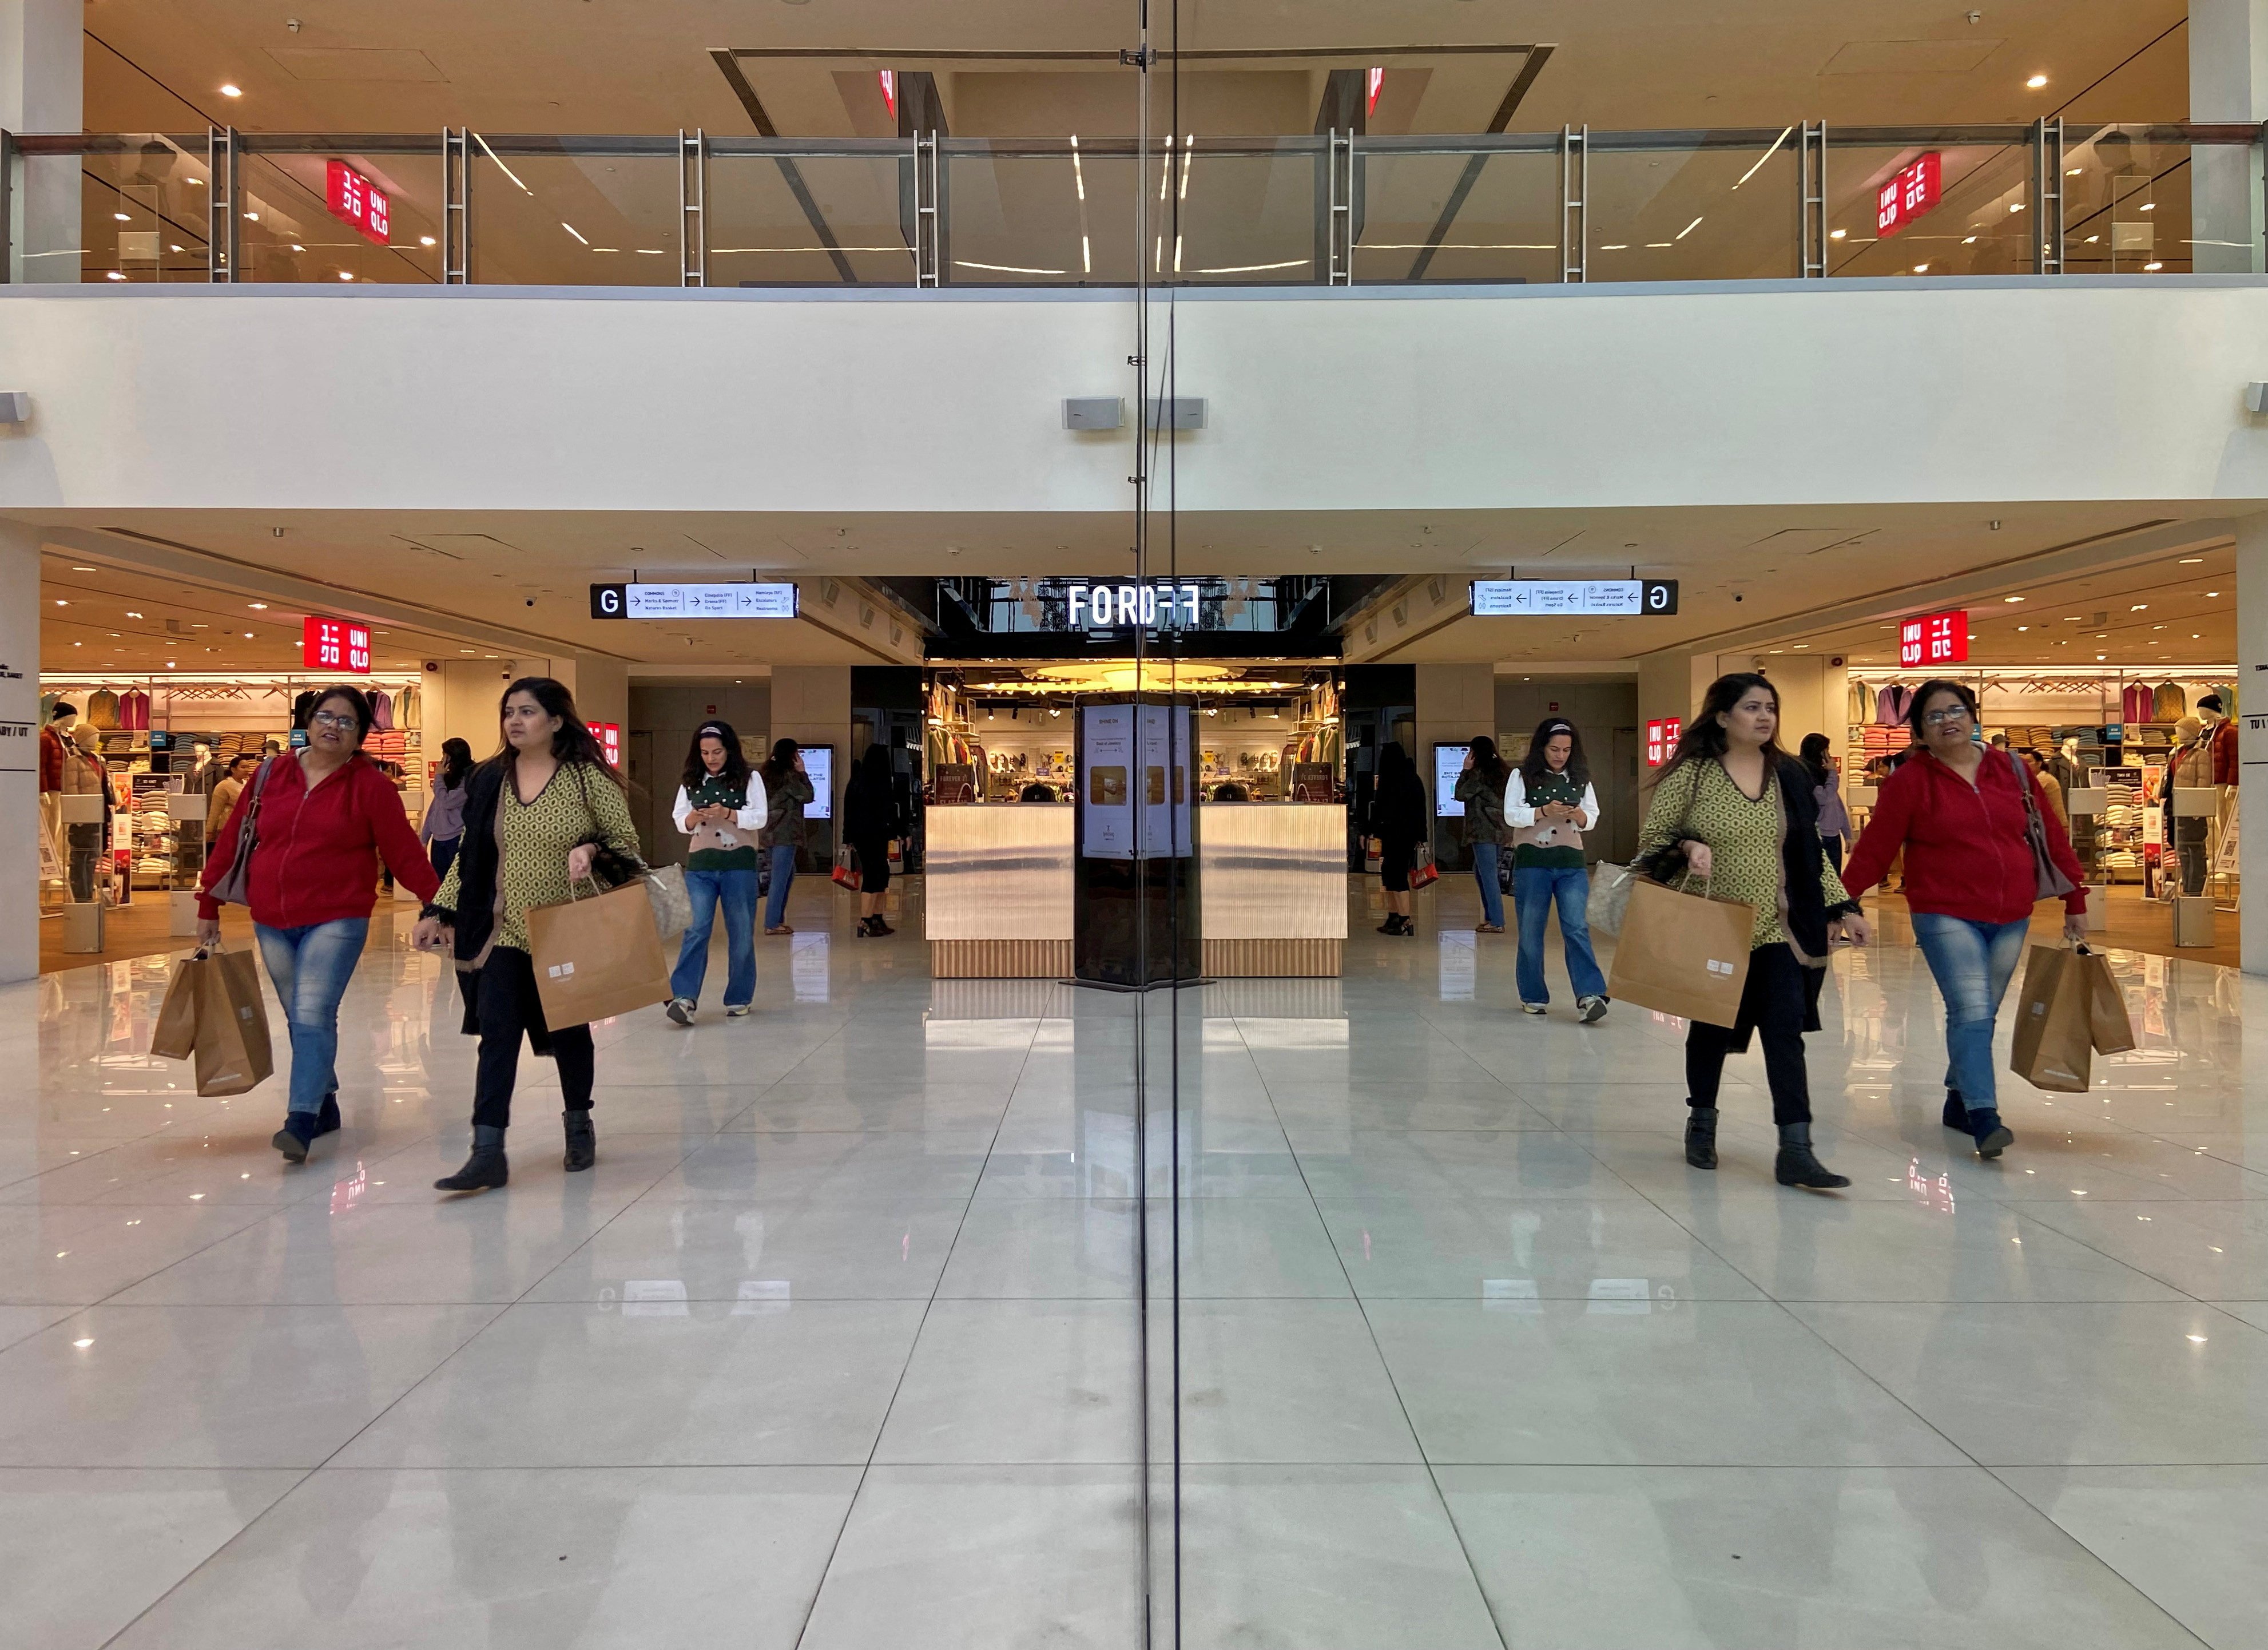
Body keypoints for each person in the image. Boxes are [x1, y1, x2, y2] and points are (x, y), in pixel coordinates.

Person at [1636, 673, 1872, 1189]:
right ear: (1722, 716)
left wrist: (1844, 905)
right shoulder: (1693, 776)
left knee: (1784, 1033)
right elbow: (1653, 839)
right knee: (1713, 1029)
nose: (1764, 717)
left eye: (1770, 708)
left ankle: (1796, 1147)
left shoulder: (1786, 774)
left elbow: (1810, 850)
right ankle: (1702, 1120)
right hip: (1714, 927)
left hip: (1777, 926)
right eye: (1751, 707)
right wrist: (1688, 848)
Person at [1842, 680, 2087, 1160]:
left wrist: (2075, 900)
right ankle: (1983, 1115)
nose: (1947, 721)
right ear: (1918, 732)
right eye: (1933, 717)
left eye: (1955, 711)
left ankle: (1957, 1098)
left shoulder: (2012, 770)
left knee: (1984, 1012)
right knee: (1971, 1009)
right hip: (1943, 911)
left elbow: (2049, 836)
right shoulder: (1909, 782)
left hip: (2012, 911)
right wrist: (1842, 902)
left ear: (1974, 716)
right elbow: (1876, 848)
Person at [413, 677, 641, 1191]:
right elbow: (471, 856)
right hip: (504, 929)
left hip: (565, 929)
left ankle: (578, 1123)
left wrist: (590, 851)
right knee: (497, 1035)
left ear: (556, 721)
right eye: (509, 712)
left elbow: (625, 842)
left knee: (567, 1031)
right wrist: (437, 909)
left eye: (528, 712)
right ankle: (487, 1150)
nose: (514, 721)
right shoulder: (491, 779)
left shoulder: (587, 780)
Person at [197, 685, 440, 1163]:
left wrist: (440, 906)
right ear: (308, 721)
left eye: (347, 722)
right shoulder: (270, 775)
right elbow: (234, 841)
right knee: (297, 1015)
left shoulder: (371, 787)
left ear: (361, 735)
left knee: (311, 1012)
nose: (333, 727)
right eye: (325, 717)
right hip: (271, 916)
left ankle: (300, 1118)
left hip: (338, 916)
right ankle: (326, 1101)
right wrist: (208, 904)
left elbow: (404, 853)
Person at [1504, 717, 1607, 1019]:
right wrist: (1543, 811)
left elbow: (1592, 816)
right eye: (1554, 749)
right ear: (1542, 748)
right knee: (1531, 931)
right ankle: (1533, 995)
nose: (1560, 755)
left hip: (1572, 863)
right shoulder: (1521, 776)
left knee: (1577, 927)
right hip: (1532, 863)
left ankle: (1590, 995)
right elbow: (1511, 814)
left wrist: (1578, 815)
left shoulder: (1580, 778)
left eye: (1566, 749)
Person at [666, 720, 766, 1025]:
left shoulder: (750, 778)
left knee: (740, 933)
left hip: (739, 866)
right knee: (696, 929)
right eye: (706, 752)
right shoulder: (691, 780)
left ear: (729, 750)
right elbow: (679, 819)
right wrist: (693, 818)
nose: (711, 758)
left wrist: (729, 814)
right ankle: (684, 998)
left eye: (718, 751)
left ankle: (739, 998)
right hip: (700, 867)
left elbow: (760, 817)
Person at [841, 743, 904, 937]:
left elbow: (849, 811)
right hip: (877, 835)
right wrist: (900, 831)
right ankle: (867, 920)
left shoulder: (857, 781)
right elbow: (889, 811)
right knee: (876, 875)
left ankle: (875, 918)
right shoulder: (882, 782)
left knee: (877, 873)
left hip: (862, 835)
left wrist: (848, 837)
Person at [1453, 735, 1513, 934]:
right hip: (1501, 831)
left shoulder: (1477, 774)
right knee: (1481, 871)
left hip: (1483, 832)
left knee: (1488, 876)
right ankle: (1490, 917)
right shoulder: (1505, 772)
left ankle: (1497, 920)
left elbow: (1460, 795)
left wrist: (1465, 770)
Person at [1371, 739, 1427, 937]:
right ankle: (1394, 916)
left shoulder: (1390, 779)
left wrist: (1373, 830)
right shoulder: (1413, 778)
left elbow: (1381, 809)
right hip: (1409, 835)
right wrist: (1422, 835)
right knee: (1393, 874)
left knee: (1395, 876)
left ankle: (1405, 920)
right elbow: (1421, 808)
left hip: (1394, 834)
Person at [758, 738, 814, 935]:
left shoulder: (766, 773)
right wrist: (803, 772)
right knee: (780, 879)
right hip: (785, 834)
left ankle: (777, 919)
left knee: (787, 876)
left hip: (769, 833)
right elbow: (808, 796)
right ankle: (772, 923)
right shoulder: (790, 776)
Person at [61, 723, 111, 903]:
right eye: (92, 736)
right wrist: (77, 814)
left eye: (97, 735)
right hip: (84, 816)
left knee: (92, 855)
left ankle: (87, 892)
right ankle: (81, 895)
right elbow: (71, 789)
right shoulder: (73, 761)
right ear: (82, 738)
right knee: (81, 856)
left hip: (98, 813)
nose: (96, 739)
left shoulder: (97, 759)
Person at [420, 737, 475, 883]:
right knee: (438, 883)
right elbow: (434, 809)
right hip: (438, 840)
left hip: (455, 839)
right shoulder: (447, 779)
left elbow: (447, 802)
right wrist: (424, 838)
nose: (442, 760)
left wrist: (438, 776)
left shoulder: (469, 780)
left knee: (453, 884)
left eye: (446, 755)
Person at [2166, 717, 2210, 896]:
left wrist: (2198, 808)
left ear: (2191, 732)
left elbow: (2203, 782)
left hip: (2192, 809)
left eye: (2182, 730)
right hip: (2177, 806)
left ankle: (2195, 889)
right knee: (2183, 849)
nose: (2178, 733)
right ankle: (2187, 887)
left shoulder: (2201, 755)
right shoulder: (2177, 753)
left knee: (2195, 849)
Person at [1799, 733, 1851, 872]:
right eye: (1827, 751)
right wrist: (1833, 773)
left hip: (1833, 837)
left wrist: (1847, 834)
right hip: (1820, 836)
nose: (1829, 755)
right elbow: (1824, 800)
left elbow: (1837, 805)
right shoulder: (1807, 774)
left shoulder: (1824, 775)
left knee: (1835, 878)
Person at [205, 752, 257, 835]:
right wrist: (209, 831)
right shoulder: (223, 786)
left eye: (248, 767)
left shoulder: (247, 784)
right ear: (233, 769)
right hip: (228, 828)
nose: (247, 770)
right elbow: (215, 811)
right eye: (243, 767)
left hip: (245, 826)